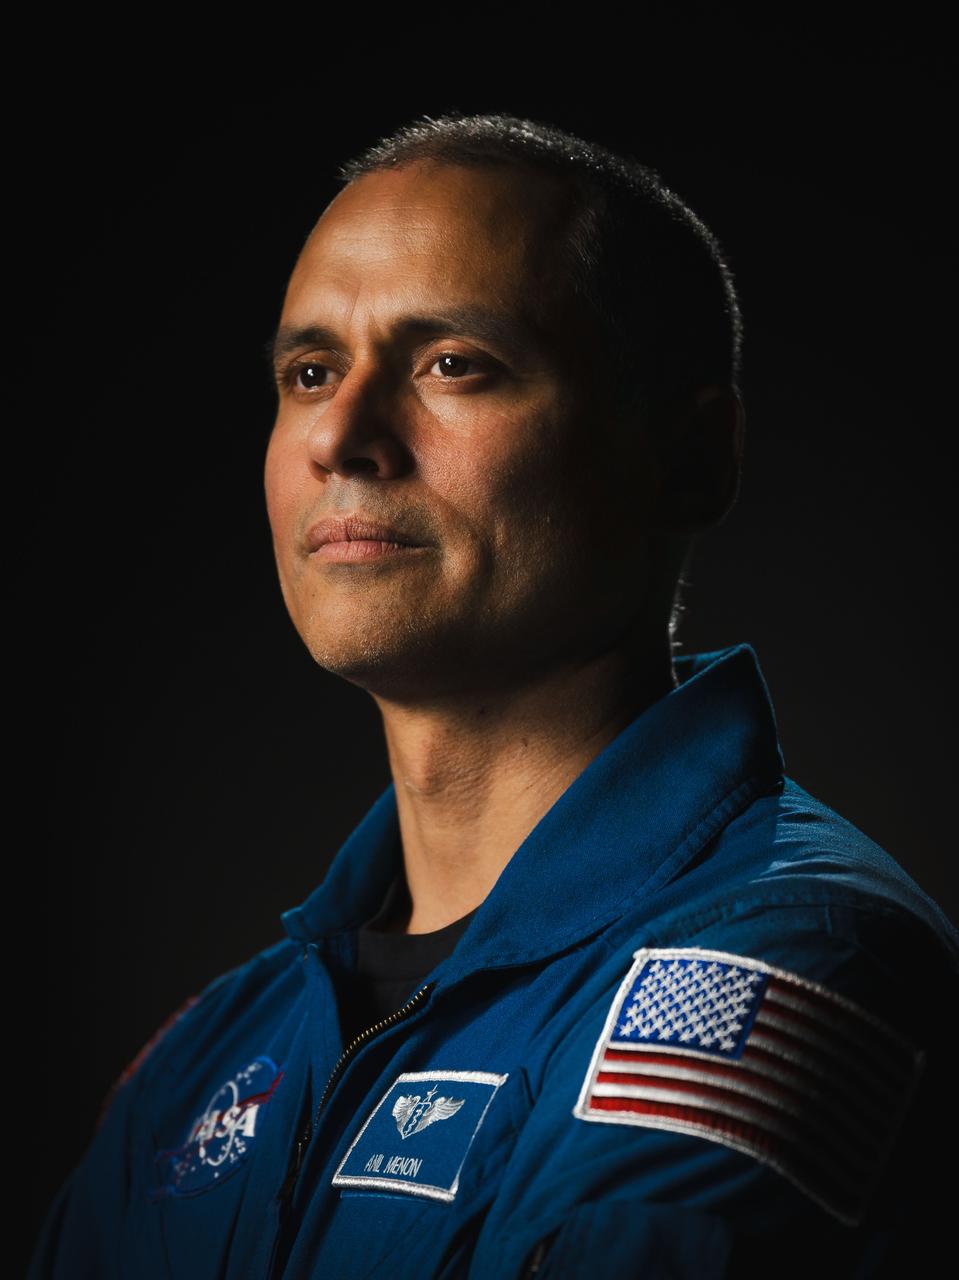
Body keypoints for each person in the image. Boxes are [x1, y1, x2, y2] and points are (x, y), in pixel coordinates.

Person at [30, 112, 958, 1279]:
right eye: (309, 372)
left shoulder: (789, 966)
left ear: (692, 458)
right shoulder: (206, 1060)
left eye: (451, 364)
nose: (343, 437)